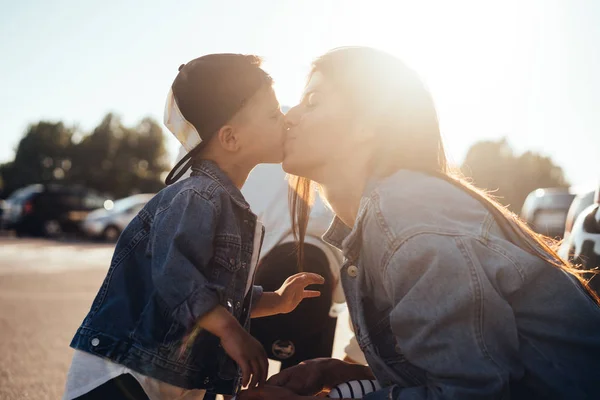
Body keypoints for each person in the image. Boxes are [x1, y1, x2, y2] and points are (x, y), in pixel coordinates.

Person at [239, 47, 600, 399]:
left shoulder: (407, 224)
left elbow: (470, 393)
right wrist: (341, 375)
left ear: (369, 124)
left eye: (313, 100)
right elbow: (450, 375)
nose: (289, 116)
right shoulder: (394, 212)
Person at [63, 54, 324, 400]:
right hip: (125, 373)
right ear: (230, 138)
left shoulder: (228, 204)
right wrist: (231, 331)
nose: (286, 119)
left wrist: (275, 300)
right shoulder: (196, 196)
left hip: (170, 375)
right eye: (273, 114)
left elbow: (215, 292)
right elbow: (175, 276)